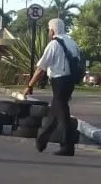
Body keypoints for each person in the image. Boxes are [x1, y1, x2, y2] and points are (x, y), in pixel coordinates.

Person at [24, 18, 81, 156]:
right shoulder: (72, 43)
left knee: (62, 115)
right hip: (70, 80)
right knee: (55, 112)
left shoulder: (54, 44)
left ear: (52, 30)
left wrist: (29, 85)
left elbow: (41, 69)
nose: (48, 32)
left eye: (49, 30)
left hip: (59, 81)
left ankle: (67, 146)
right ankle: (42, 141)